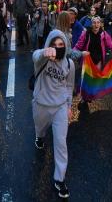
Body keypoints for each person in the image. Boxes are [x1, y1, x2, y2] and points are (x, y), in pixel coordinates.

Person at [32, 30, 74, 199]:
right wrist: (44, 52)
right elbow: (35, 56)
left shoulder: (69, 64)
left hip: (60, 107)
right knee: (40, 129)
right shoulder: (42, 59)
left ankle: (60, 178)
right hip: (41, 104)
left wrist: (69, 106)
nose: (57, 48)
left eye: (61, 45)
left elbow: (69, 86)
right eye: (54, 44)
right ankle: (39, 136)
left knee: (61, 142)